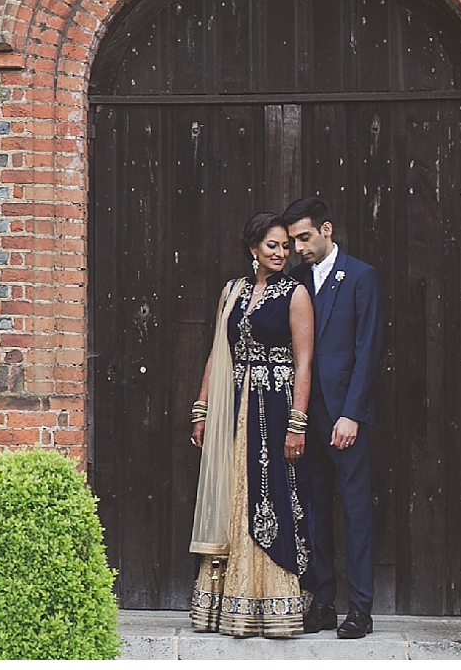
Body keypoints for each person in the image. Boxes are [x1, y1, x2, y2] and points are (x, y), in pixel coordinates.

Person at [188, 212, 315, 638]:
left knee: (270, 492)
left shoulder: (295, 294)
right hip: (233, 404)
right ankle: (226, 603)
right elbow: (216, 351)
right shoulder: (231, 291)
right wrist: (202, 407)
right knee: (231, 492)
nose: (281, 253)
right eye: (272, 246)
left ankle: (272, 601)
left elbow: (304, 362)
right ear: (253, 249)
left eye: (285, 247)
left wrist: (297, 423)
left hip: (275, 407)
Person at [281, 196, 383, 640]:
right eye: (292, 241)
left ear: (327, 229)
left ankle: (360, 608)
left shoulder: (361, 276)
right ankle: (322, 602)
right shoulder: (297, 281)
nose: (298, 247)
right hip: (308, 415)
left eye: (304, 238)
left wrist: (352, 414)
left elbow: (368, 350)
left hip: (344, 417)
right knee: (315, 511)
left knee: (356, 510)